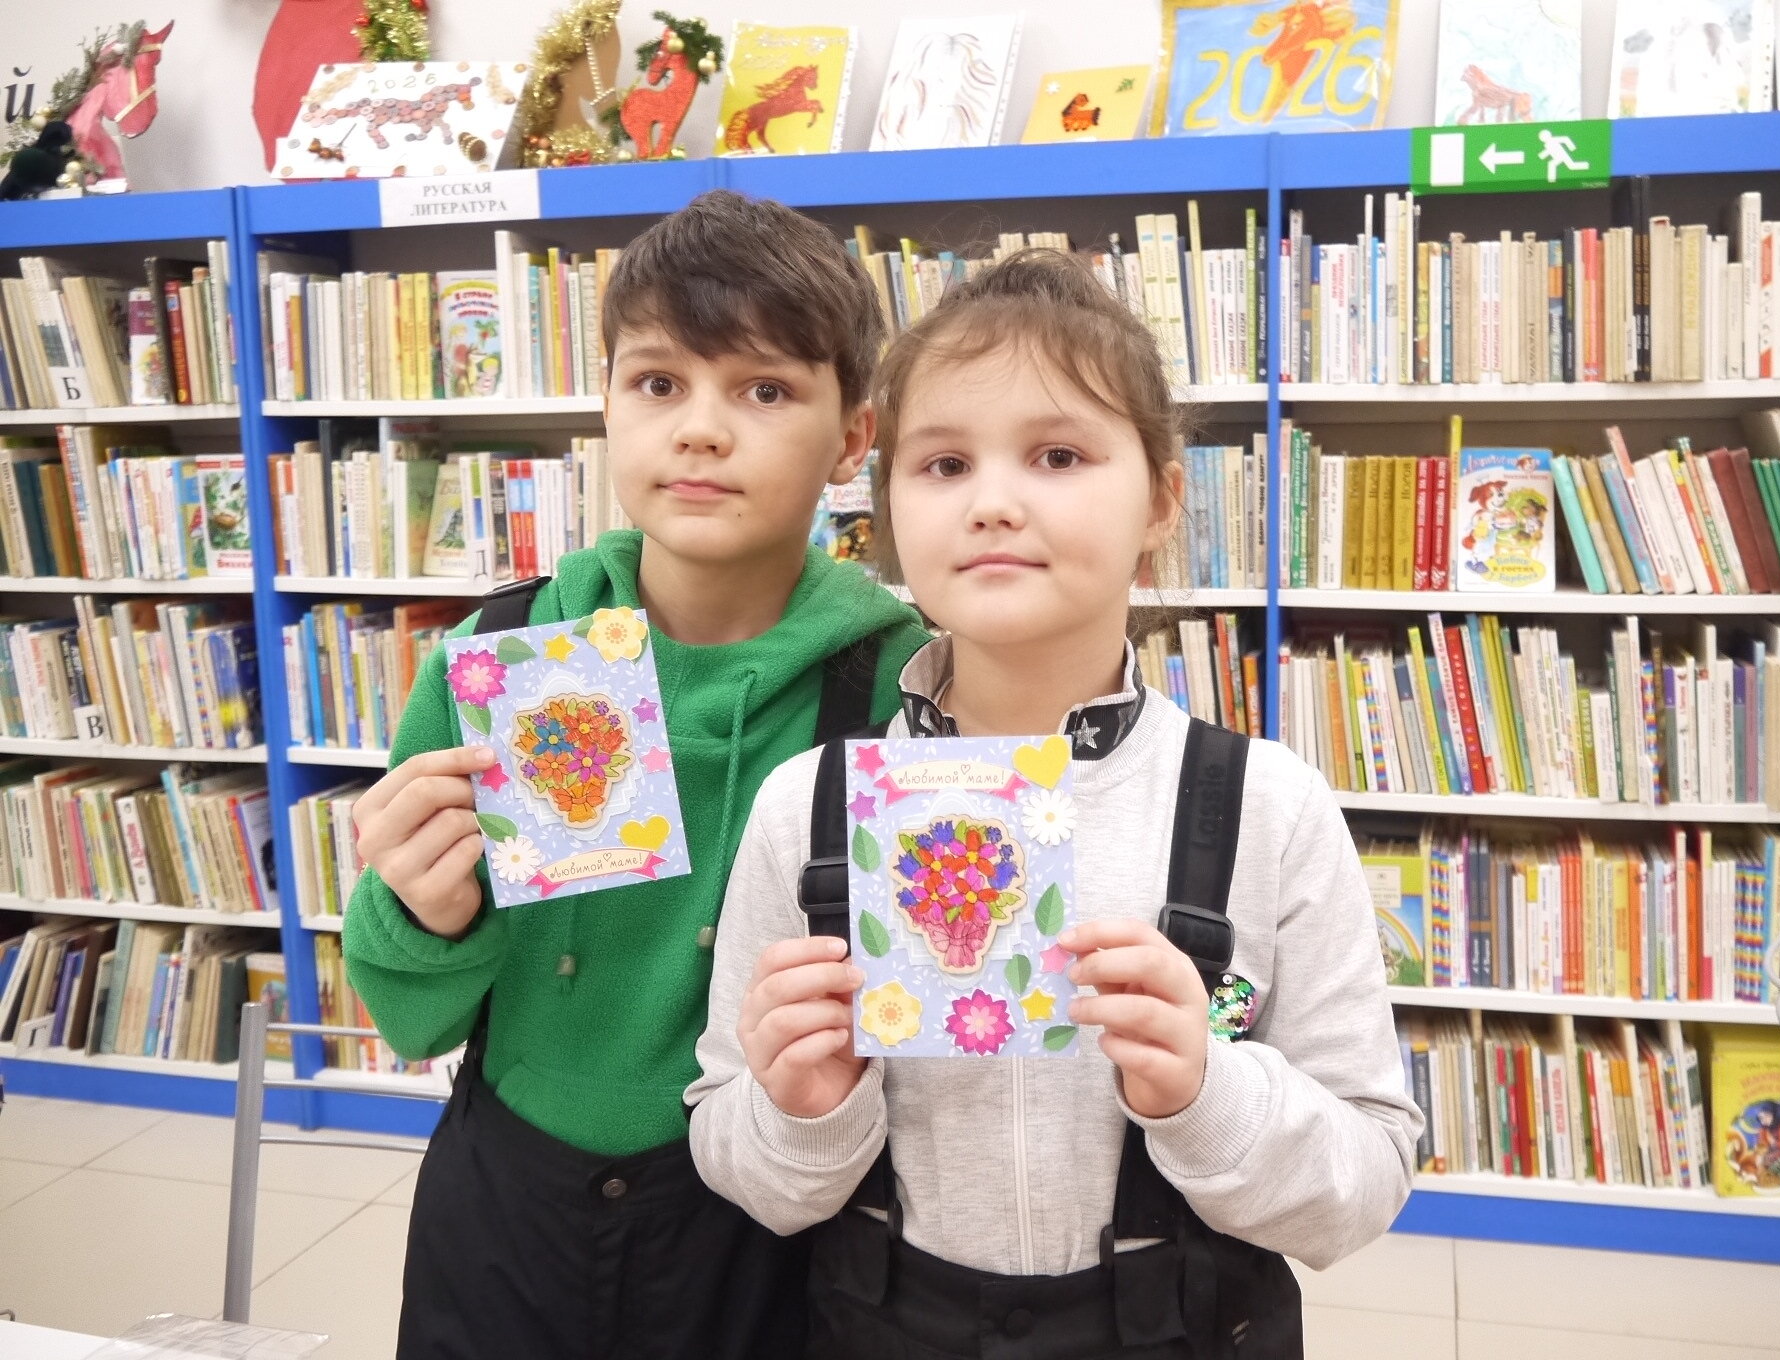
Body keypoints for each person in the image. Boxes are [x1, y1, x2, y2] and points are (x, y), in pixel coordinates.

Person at [687, 249, 1420, 1357]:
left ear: (1160, 499)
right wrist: (799, 1107)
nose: (992, 503)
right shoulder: (809, 808)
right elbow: (738, 1160)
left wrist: (1206, 1091)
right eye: (942, 464)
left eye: (1058, 455)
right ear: (887, 505)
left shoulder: (1268, 808)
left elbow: (1361, 1186)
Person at [342, 189, 930, 1360]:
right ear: (606, 402)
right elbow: (409, 1014)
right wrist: (420, 909)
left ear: (852, 438)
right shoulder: (500, 657)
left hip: (769, 1213)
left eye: (765, 390)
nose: (700, 430)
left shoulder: (903, 692)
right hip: (502, 1201)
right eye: (658, 382)